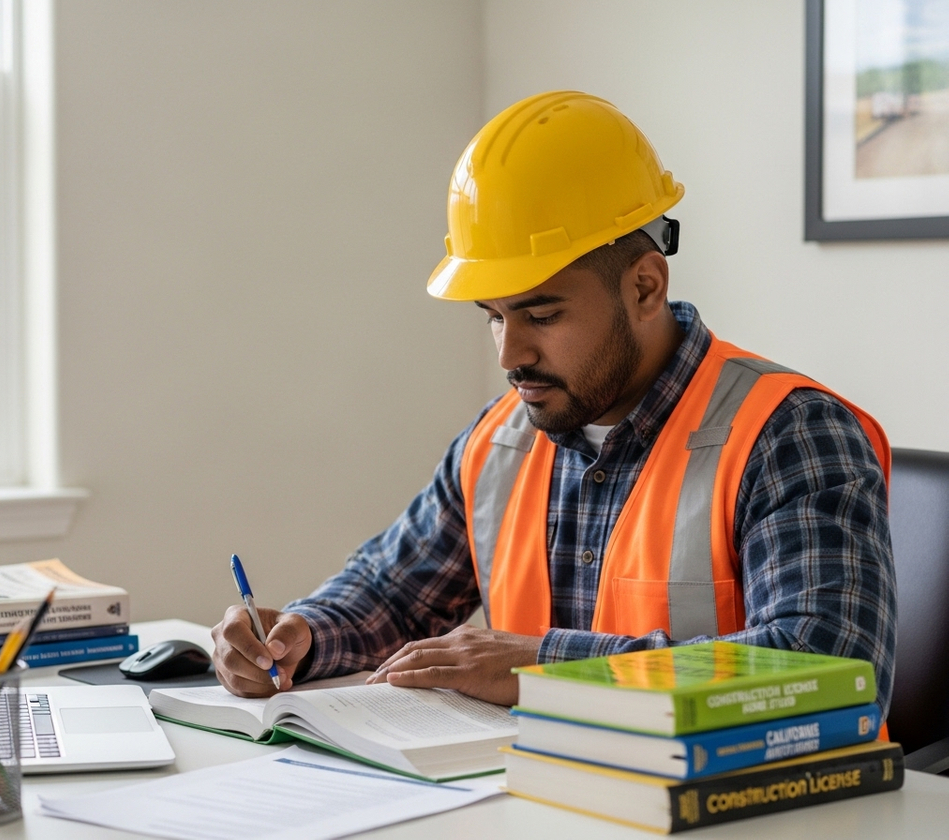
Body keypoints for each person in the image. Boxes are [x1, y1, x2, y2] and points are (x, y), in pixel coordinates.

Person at [211, 91, 897, 713]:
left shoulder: (788, 434)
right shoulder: (501, 440)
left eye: (541, 315)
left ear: (645, 287)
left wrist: (547, 665)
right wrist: (301, 633)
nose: (509, 355)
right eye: (493, 316)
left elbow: (831, 668)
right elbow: (394, 592)